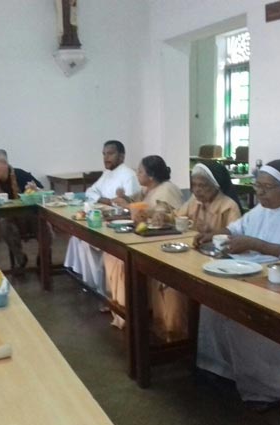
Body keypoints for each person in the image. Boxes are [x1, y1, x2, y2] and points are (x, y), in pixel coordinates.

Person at [196, 159, 280, 405]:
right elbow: (236, 228)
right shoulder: (261, 209)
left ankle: (267, 389)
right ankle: (220, 369)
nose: (259, 192)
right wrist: (214, 234)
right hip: (255, 274)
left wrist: (255, 244)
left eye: (266, 187)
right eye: (257, 186)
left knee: (246, 318)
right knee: (213, 303)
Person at [150, 162, 242, 341]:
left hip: (216, 263)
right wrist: (164, 216)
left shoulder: (229, 206)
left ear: (216, 186)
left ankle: (180, 334)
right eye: (194, 185)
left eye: (202, 186)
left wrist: (212, 232)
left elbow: (235, 237)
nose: (197, 190)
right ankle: (165, 328)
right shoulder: (195, 201)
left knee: (174, 286)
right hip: (192, 257)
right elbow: (178, 216)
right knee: (160, 276)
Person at [104, 155, 184, 328]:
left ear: (151, 175)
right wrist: (124, 199)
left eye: (140, 171)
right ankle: (121, 307)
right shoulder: (148, 189)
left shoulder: (166, 190)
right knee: (112, 256)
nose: (137, 174)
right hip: (146, 235)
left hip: (162, 240)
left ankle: (131, 310)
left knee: (122, 261)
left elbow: (166, 215)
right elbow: (136, 202)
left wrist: (131, 207)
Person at [64, 140, 140, 295]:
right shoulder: (107, 173)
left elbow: (129, 205)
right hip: (104, 218)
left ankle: (100, 288)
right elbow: (90, 192)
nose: (106, 158)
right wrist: (106, 200)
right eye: (104, 154)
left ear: (122, 156)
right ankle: (88, 281)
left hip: (119, 223)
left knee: (87, 241)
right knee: (78, 237)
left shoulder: (129, 176)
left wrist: (109, 202)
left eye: (110, 154)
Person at [0, 148, 44, 272]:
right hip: (11, 220)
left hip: (30, 217)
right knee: (4, 224)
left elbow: (42, 191)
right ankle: (20, 258)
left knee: (43, 223)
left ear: (5, 164)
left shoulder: (20, 175)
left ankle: (43, 255)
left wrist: (35, 190)